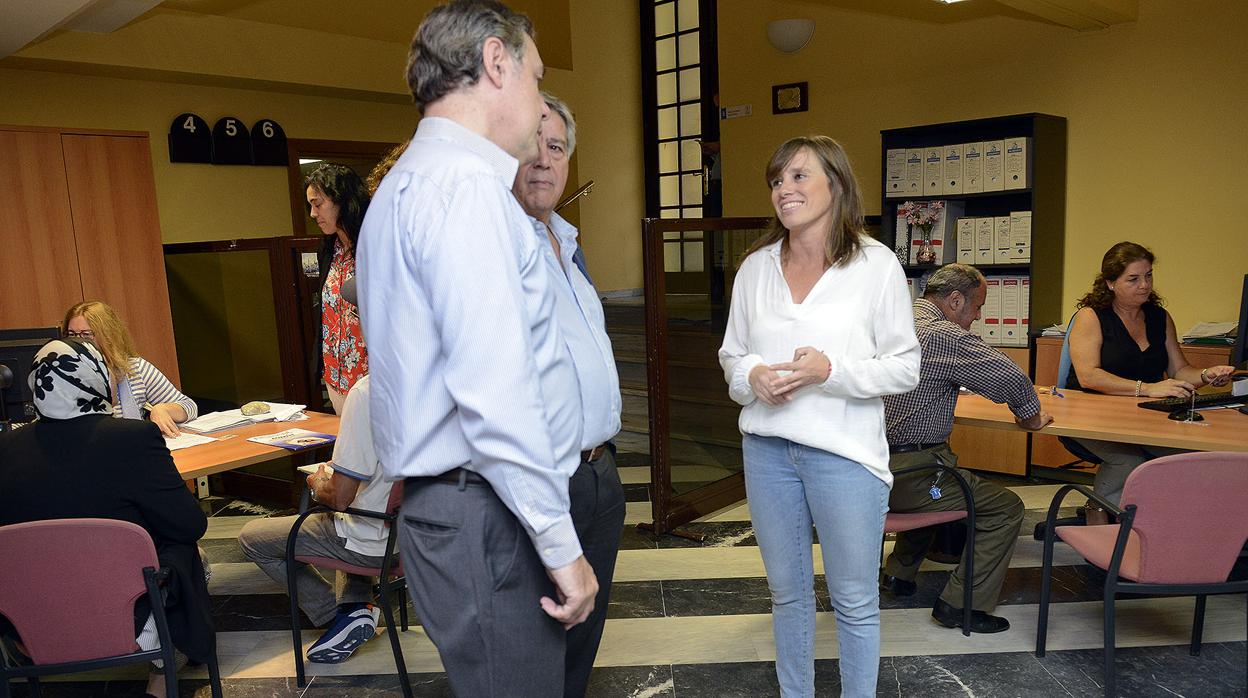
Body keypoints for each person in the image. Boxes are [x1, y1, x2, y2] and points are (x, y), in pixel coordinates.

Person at [356, 2, 597, 696]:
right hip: (486, 510)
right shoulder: (466, 191)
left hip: (458, 507)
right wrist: (561, 546)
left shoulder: (407, 185)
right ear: (497, 62)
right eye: (535, 75)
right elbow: (495, 395)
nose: (536, 98)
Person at [718, 135, 921, 697]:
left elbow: (904, 369)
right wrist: (753, 374)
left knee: (854, 601)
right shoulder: (756, 268)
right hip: (766, 452)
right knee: (787, 596)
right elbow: (732, 354)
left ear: (836, 183)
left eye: (800, 177)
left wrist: (829, 370)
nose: (785, 190)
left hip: (846, 457)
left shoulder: (876, 266)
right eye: (778, 180)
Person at [0, 339, 213, 698]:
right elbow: (190, 525)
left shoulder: (6, 449)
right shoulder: (133, 439)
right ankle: (164, 670)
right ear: (97, 379)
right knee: (184, 548)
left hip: (28, 626)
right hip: (128, 619)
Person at [512, 91, 626, 697]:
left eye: (556, 147)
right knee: (533, 645)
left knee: (581, 643)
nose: (543, 160)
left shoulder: (569, 243)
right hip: (539, 478)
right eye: (530, 145)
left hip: (600, 474)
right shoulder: (497, 246)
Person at [879, 264, 1054, 633]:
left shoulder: (892, 320)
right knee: (1005, 507)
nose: (977, 317)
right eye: (977, 307)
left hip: (867, 469)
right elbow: (1010, 376)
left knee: (942, 481)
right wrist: (1030, 417)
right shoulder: (942, 335)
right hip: (911, 474)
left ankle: (898, 575)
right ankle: (960, 605)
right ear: (955, 300)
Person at [1068, 241, 1234, 507]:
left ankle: (1169, 522)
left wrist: (1205, 375)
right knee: (1128, 459)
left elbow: (1179, 370)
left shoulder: (1159, 317)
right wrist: (1146, 388)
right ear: (1110, 283)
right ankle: (1098, 512)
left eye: (1148, 276)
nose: (1144, 285)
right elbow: (1089, 376)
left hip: (1141, 415)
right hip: (1089, 416)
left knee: (1194, 454)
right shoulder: (1091, 317)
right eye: (1133, 279)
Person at [238, 375, 390, 664]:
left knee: (251, 537)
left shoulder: (369, 390)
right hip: (419, 533)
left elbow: (341, 498)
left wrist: (318, 484)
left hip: (373, 536)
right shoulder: (439, 378)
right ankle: (356, 606)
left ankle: (335, 614)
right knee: (342, 518)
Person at [62, 300, 198, 437]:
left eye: (86, 334)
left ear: (108, 336)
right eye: (72, 335)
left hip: (133, 450)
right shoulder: (60, 376)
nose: (78, 341)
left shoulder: (135, 368)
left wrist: (163, 409)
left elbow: (190, 406)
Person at [306, 163, 370, 414]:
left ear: (342, 200)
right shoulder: (328, 250)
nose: (312, 213)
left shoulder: (376, 245)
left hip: (374, 375)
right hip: (335, 374)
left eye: (318, 204)